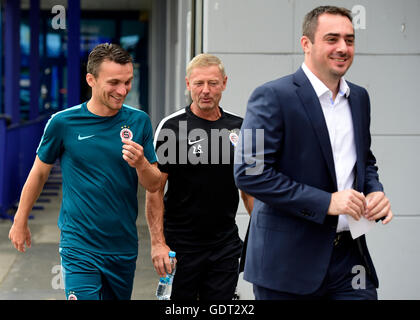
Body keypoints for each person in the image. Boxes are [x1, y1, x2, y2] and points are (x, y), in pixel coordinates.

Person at [234, 6, 393, 300]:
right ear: (306, 44)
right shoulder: (269, 96)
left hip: (349, 260)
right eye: (332, 39)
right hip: (286, 264)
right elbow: (250, 174)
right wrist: (326, 202)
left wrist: (374, 191)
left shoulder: (359, 98)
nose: (343, 48)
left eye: (350, 39)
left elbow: (364, 160)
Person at [8, 43, 161, 300]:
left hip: (122, 246)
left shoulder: (139, 121)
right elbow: (39, 174)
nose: (122, 90)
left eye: (128, 82)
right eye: (114, 82)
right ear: (91, 79)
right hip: (79, 245)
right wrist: (20, 219)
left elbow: (155, 184)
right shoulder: (62, 123)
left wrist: (142, 164)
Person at [146, 53, 253, 300]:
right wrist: (158, 243)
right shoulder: (171, 127)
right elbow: (154, 191)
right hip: (180, 248)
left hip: (224, 246)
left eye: (213, 83)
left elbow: (250, 192)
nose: (206, 90)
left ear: (224, 83)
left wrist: (263, 236)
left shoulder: (242, 128)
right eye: (198, 83)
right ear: (188, 84)